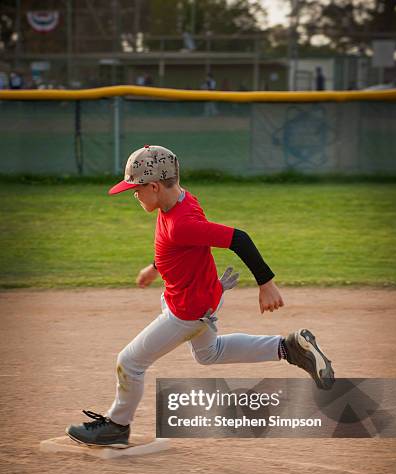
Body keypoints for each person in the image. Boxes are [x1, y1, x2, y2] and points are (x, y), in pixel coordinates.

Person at [66, 145, 334, 447]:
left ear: (154, 186)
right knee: (210, 353)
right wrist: (156, 267)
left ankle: (116, 425)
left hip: (187, 310)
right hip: (204, 296)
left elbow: (239, 238)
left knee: (129, 362)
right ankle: (288, 348)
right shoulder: (180, 199)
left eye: (136, 188)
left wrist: (266, 283)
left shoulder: (182, 224)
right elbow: (182, 246)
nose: (133, 194)